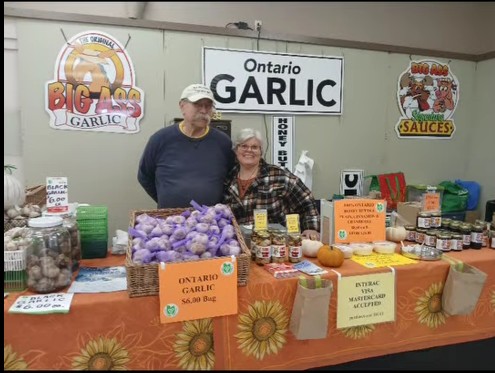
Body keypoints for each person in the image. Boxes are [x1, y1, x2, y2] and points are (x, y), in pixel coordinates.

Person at [138, 83, 235, 208]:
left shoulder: (223, 142)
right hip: (170, 222)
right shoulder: (160, 139)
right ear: (182, 106)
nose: (204, 110)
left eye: (208, 106)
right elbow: (144, 176)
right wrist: (165, 198)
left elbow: (231, 178)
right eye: (198, 104)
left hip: (212, 222)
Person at [223, 128, 320, 239]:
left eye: (254, 147)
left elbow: (306, 200)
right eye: (244, 146)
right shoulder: (228, 179)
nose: (249, 150)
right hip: (241, 247)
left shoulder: (278, 175)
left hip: (277, 246)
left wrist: (311, 228)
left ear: (261, 152)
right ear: (236, 150)